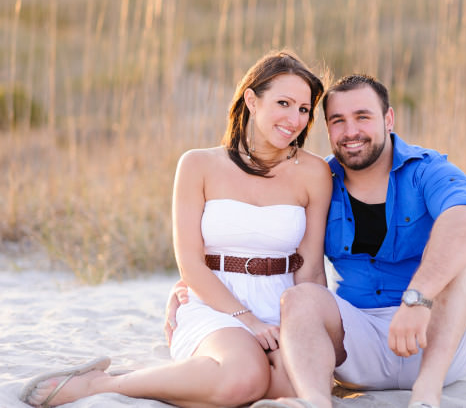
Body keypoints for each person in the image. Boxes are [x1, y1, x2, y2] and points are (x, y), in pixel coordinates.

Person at [19, 51, 331, 407]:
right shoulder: (198, 164)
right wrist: (247, 320)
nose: (294, 119)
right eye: (284, 103)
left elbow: (310, 267)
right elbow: (190, 263)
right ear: (251, 100)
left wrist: (303, 324)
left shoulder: (314, 172)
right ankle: (99, 386)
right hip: (214, 302)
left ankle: (187, 379)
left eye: (304, 110)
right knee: (245, 378)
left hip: (279, 303)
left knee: (295, 385)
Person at [249, 74, 466, 408]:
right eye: (338, 121)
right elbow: (262, 237)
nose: (351, 132)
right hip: (357, 346)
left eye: (362, 117)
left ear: (388, 119)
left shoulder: (426, 169)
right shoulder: (320, 180)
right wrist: (194, 284)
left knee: (460, 258)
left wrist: (417, 299)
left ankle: (425, 395)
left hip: (437, 343)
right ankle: (315, 402)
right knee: (300, 297)